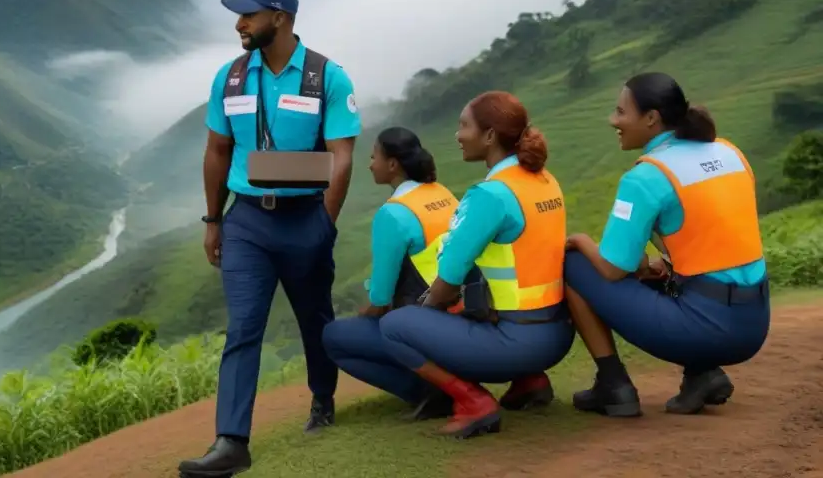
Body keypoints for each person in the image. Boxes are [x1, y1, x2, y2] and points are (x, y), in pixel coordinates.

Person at [178, 0, 361, 478]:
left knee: (314, 320)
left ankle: (322, 400)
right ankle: (231, 442)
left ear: (278, 18)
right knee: (242, 329)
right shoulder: (230, 77)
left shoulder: (327, 77)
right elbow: (218, 151)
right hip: (247, 224)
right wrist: (214, 220)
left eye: (249, 14)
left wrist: (325, 221)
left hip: (306, 217)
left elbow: (340, 157)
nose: (239, 23)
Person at [563, 72, 770, 418]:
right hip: (756, 321)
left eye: (620, 112)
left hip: (709, 328)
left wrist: (581, 240)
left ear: (651, 118)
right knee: (658, 271)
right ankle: (701, 375)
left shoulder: (646, 176)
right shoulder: (730, 151)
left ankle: (613, 384)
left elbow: (613, 270)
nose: (612, 120)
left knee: (574, 264)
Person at [376, 91, 575, 439]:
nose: (458, 135)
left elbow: (447, 278)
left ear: (489, 136)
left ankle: (474, 403)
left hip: (519, 343)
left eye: (463, 125)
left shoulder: (490, 194)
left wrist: (425, 315)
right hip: (558, 334)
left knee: (395, 325)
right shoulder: (545, 179)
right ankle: (529, 382)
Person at [322, 127, 460, 421]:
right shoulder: (442, 193)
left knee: (334, 336)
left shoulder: (393, 214)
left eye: (374, 157)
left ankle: (428, 389)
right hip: (463, 316)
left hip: (426, 326)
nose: (370, 164)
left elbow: (381, 299)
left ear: (393, 164)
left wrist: (364, 314)